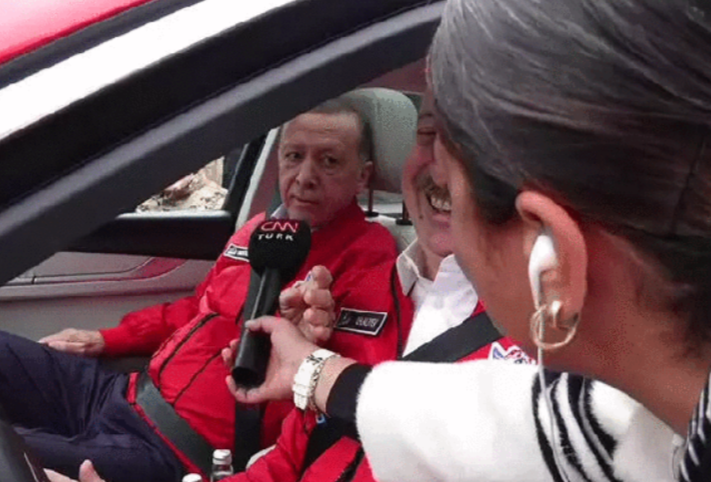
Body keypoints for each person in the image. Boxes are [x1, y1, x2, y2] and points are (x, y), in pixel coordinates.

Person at [221, 0, 711, 480]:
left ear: (553, 264)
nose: (437, 183)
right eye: (425, 136)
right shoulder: (639, 422)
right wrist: (310, 368)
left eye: (453, 173)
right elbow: (501, 425)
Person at [43, 87, 535, 482]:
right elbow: (288, 459)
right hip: (130, 394)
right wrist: (109, 338)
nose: (445, 168)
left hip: (170, 442)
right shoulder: (363, 292)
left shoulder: (543, 342)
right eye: (428, 135)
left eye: (474, 143)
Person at [0, 93, 408, 482]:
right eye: (294, 156)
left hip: (171, 450)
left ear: (363, 176)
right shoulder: (260, 231)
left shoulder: (371, 259)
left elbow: (349, 398)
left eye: (329, 161)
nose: (305, 175)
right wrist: (106, 339)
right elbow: (196, 308)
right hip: (119, 392)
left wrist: (314, 344)